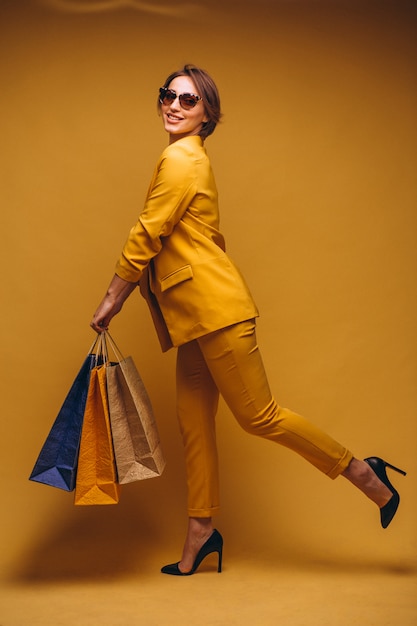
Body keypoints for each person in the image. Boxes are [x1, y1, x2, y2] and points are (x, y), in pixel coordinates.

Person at [91, 64, 406, 576]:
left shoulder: (181, 160)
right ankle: (200, 529)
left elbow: (147, 234)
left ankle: (361, 471)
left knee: (259, 416)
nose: (173, 105)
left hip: (218, 313)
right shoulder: (186, 158)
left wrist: (113, 298)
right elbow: (204, 240)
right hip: (193, 315)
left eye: (188, 100)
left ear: (207, 114)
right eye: (168, 94)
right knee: (193, 425)